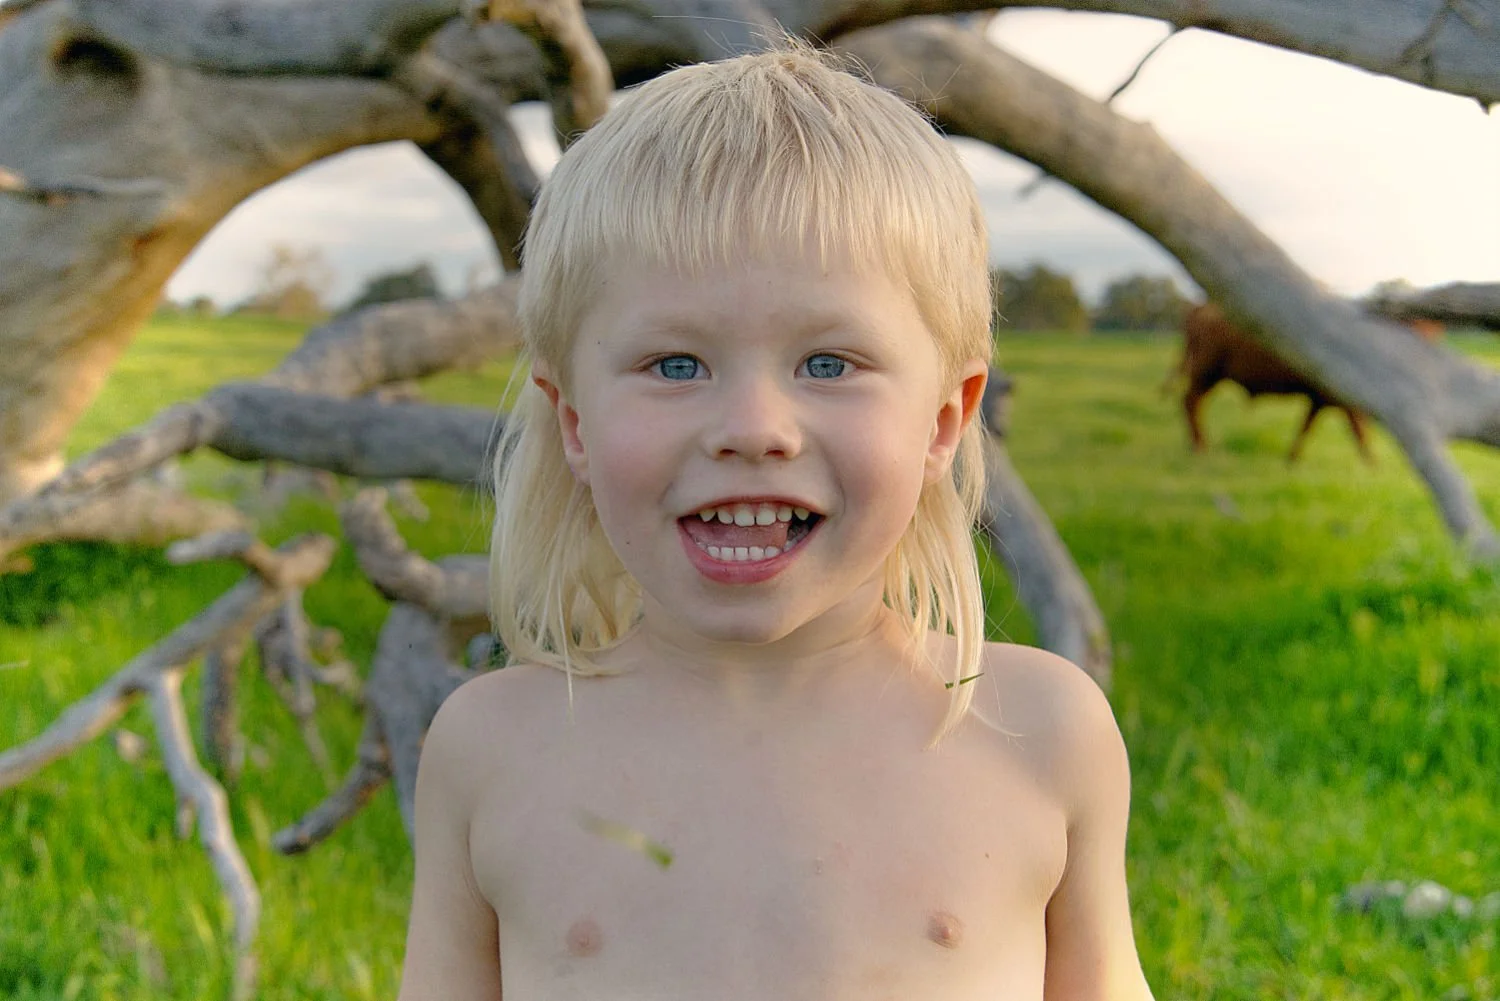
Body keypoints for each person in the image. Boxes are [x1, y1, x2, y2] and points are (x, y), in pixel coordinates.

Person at [398, 41, 1155, 1001]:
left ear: (943, 420)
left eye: (829, 363)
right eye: (676, 365)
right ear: (576, 426)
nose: (753, 429)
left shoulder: (1041, 733)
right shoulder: (492, 748)